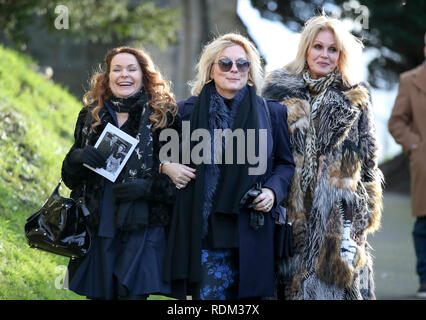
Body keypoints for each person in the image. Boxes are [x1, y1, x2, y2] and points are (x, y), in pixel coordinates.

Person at [162, 33, 295, 300]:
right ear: (210, 69)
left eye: (242, 64)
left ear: (250, 70)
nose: (234, 69)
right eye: (225, 63)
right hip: (205, 235)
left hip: (253, 230)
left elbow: (284, 164)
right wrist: (167, 167)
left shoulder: (273, 113)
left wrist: (272, 191)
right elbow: (157, 156)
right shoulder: (182, 112)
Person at [262, 15, 384, 300]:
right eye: (318, 47)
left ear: (341, 55)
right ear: (306, 49)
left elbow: (367, 163)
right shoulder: (277, 93)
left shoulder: (355, 97)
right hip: (288, 213)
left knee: (332, 288)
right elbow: (263, 153)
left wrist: (362, 217)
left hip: (338, 217)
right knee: (287, 286)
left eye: (332, 49)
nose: (324, 55)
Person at [61, 46, 179, 300]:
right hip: (97, 224)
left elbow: (179, 182)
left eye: (131, 69)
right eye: (117, 69)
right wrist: (78, 158)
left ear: (144, 75)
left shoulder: (164, 118)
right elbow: (70, 178)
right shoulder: (91, 114)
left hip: (142, 225)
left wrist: (147, 188)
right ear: (107, 76)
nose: (123, 75)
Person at [388, 33, 426, 298]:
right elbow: (396, 122)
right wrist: (415, 145)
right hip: (425, 161)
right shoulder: (409, 80)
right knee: (424, 224)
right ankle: (425, 279)